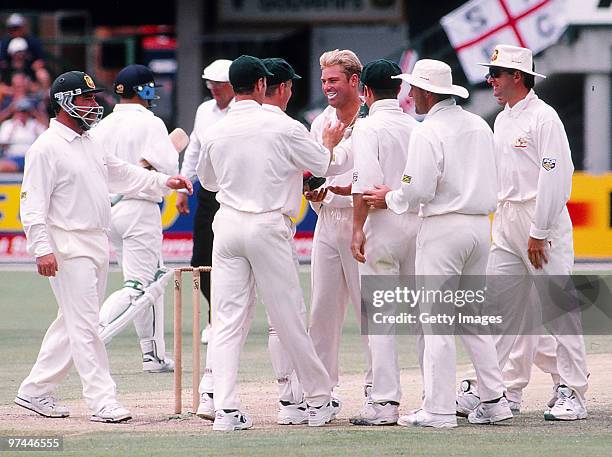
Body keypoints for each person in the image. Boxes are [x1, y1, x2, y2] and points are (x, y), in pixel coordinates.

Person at [15, 71, 192, 423]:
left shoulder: (90, 141)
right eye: (87, 99)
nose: (96, 105)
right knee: (84, 327)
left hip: (96, 241)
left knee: (72, 322)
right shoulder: (45, 148)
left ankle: (34, 390)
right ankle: (102, 401)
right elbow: (31, 205)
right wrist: (41, 249)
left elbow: (122, 173)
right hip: (67, 245)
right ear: (66, 102)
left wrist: (163, 180)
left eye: (95, 98)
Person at [363, 59, 512, 428]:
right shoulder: (479, 123)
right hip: (479, 228)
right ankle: (494, 399)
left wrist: (391, 198)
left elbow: (418, 189)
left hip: (443, 228)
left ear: (428, 92)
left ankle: (439, 409)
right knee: (471, 317)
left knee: (436, 322)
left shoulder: (427, 131)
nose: (409, 95)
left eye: (414, 89)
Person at [196, 55, 334, 432]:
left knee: (226, 321)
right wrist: (331, 142)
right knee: (288, 316)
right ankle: (318, 399)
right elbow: (322, 162)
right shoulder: (283, 126)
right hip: (268, 225)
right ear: (261, 84)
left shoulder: (215, 129)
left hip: (226, 226)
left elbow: (207, 183)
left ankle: (224, 409)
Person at [459, 44, 588, 421]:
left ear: (517, 76)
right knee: (499, 308)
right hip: (507, 219)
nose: (490, 80)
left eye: (496, 74)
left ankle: (573, 391)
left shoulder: (544, 118)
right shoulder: (502, 118)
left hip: (540, 220)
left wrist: (539, 230)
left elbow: (556, 177)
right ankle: (498, 390)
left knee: (557, 305)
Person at [346, 60, 420, 426]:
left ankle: (385, 402)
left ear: (366, 92)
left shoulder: (368, 126)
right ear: (402, 90)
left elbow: (366, 185)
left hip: (383, 224)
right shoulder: (416, 124)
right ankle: (434, 396)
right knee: (425, 318)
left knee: (382, 318)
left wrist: (356, 228)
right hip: (419, 224)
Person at [93, 64, 178, 373]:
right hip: (139, 208)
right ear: (144, 91)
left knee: (149, 281)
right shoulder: (150, 122)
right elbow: (168, 166)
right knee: (142, 285)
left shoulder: (102, 125)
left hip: (110, 210)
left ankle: (152, 354)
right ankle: (93, 337)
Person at [306, 49, 373, 410]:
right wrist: (314, 192)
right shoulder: (321, 123)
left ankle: (376, 388)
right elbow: (315, 170)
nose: (327, 87)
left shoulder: (372, 120)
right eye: (324, 81)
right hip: (327, 219)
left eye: (333, 80)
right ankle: (323, 391)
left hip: (363, 222)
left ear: (353, 81)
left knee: (370, 309)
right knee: (322, 309)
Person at [175, 59, 234, 345]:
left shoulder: (246, 111)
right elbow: (194, 149)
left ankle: (230, 316)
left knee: (237, 259)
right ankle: (216, 315)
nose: (215, 90)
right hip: (209, 193)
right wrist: (184, 186)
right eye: (211, 85)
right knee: (201, 259)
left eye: (220, 86)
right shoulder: (204, 111)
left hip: (237, 193)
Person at [0, 14, 49, 86]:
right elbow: (2, 60)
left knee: (42, 74)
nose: (15, 31)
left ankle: (45, 95)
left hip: (30, 72)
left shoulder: (32, 41)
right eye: (12, 28)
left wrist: (35, 65)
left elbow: (41, 59)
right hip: (8, 73)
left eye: (17, 28)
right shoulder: (5, 41)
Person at [0, 97, 45, 172]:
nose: (22, 114)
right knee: (3, 166)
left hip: (32, 158)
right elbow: (3, 145)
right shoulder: (8, 124)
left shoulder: (35, 124)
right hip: (13, 158)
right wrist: (13, 129)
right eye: (19, 111)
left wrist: (37, 115)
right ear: (15, 112)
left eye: (24, 111)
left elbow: (46, 140)